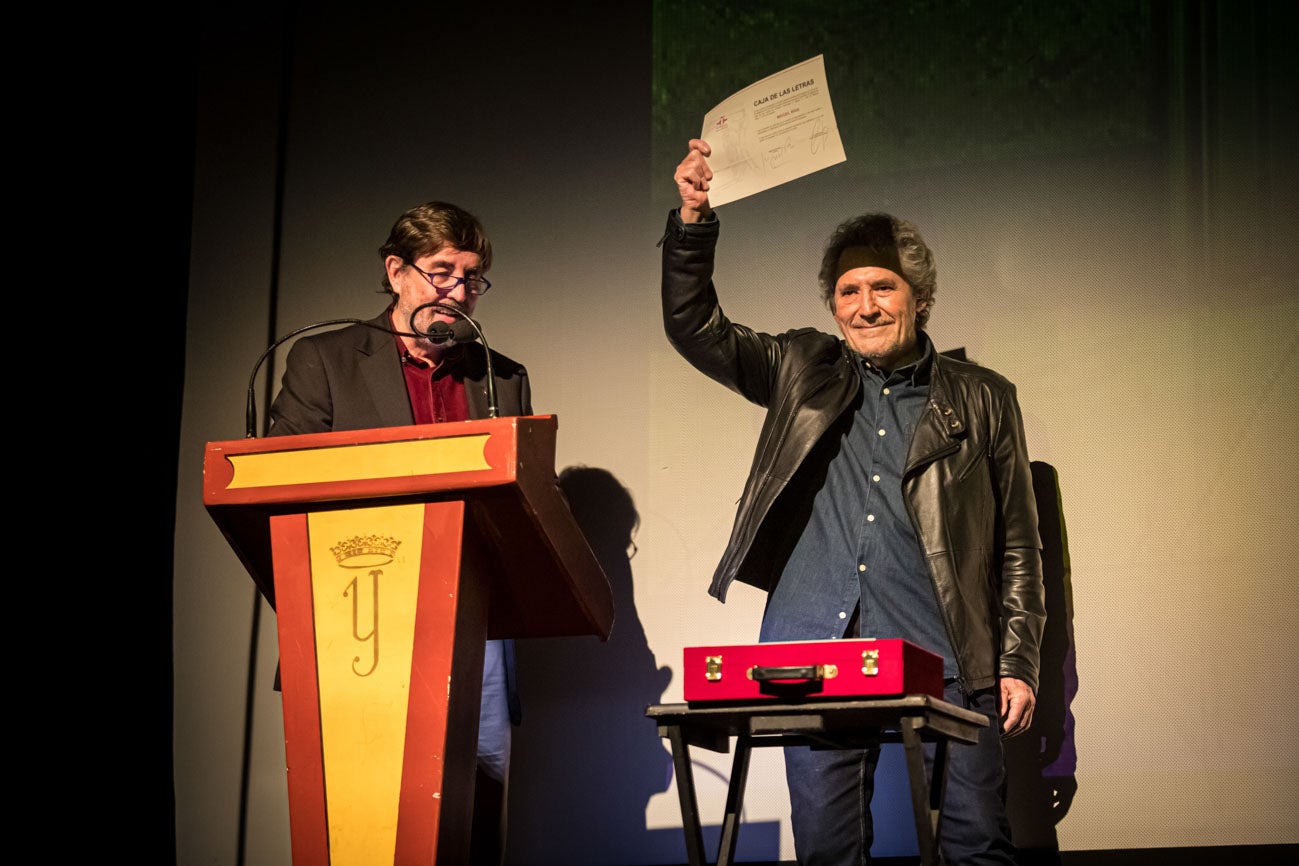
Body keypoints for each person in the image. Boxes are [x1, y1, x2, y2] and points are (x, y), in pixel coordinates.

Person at [661, 139, 1046, 865]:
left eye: (882, 287)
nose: (864, 306)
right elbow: (694, 327)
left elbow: (1018, 543)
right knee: (828, 853)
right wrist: (692, 219)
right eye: (847, 291)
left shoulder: (983, 397)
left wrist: (1017, 661)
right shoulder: (800, 368)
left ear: (918, 298)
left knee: (975, 845)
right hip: (811, 648)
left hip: (947, 650)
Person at [267, 200, 528, 865]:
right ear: (396, 271)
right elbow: (279, 489)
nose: (458, 291)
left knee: (473, 814)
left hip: (477, 627)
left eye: (472, 277)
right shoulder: (324, 360)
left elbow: (526, 508)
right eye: (442, 271)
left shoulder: (501, 377)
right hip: (358, 616)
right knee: (363, 826)